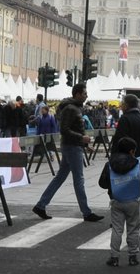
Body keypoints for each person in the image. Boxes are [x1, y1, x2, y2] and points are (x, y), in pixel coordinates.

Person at [31, 83, 104, 222]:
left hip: (72, 146)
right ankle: (86, 212)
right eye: (84, 93)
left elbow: (73, 129)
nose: (86, 95)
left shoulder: (74, 107)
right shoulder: (71, 108)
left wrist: (84, 143)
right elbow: (64, 129)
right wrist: (81, 138)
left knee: (61, 177)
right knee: (79, 179)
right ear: (77, 94)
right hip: (71, 147)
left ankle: (41, 205)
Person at [99, 136, 140, 267]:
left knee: (117, 229)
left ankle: (114, 257)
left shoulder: (110, 164)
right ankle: (133, 257)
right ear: (132, 151)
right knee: (133, 229)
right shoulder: (137, 164)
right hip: (133, 200)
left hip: (116, 200)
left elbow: (102, 183)